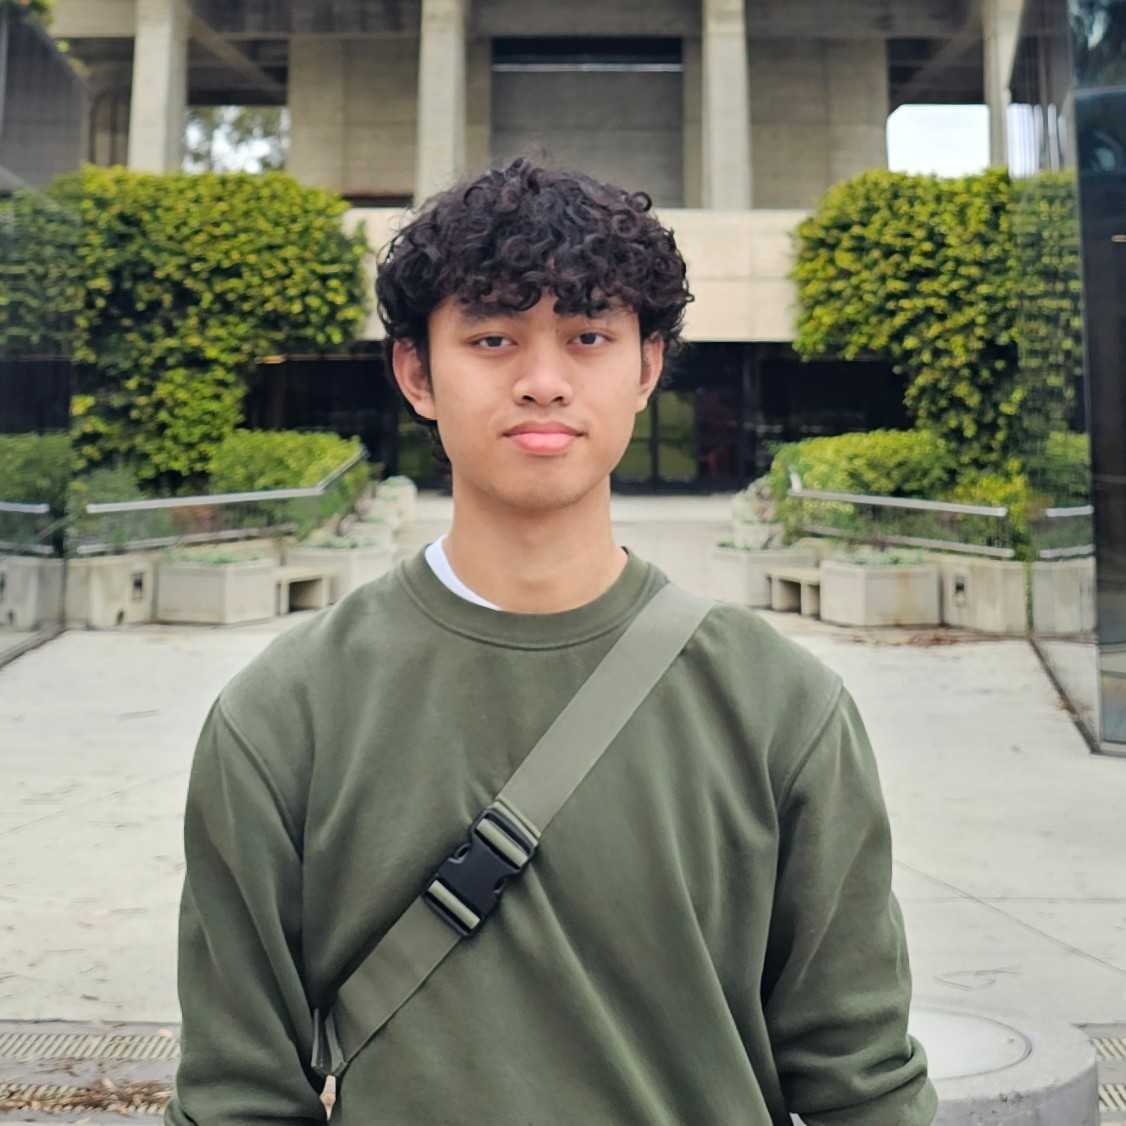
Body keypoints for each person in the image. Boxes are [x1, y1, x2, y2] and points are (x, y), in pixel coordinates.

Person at [164, 159, 937, 1125]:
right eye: (492, 339)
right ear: (417, 373)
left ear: (646, 367)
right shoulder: (283, 716)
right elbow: (237, 1095)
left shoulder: (783, 708)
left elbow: (862, 1083)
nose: (542, 382)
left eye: (588, 338)